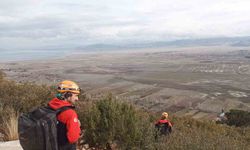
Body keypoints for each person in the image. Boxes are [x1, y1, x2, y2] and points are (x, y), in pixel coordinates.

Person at [48, 80, 81, 150]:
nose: (77, 99)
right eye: (76, 95)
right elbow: (73, 138)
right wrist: (77, 126)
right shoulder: (70, 113)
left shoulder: (51, 105)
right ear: (68, 95)